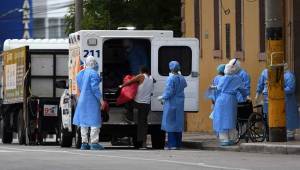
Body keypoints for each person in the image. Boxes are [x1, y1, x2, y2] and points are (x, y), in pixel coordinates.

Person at [256, 64, 300, 140]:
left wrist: (278, 90)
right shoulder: (267, 72)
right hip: (270, 99)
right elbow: (261, 85)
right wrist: (258, 94)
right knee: (270, 116)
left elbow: (291, 88)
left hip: (287, 100)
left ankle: (289, 134)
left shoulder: (289, 76)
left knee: (288, 117)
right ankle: (271, 133)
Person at [213, 60, 247, 146]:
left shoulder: (222, 78)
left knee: (221, 120)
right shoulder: (237, 79)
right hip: (231, 100)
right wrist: (245, 97)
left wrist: (213, 87)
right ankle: (231, 138)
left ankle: (224, 139)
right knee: (231, 119)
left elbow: (219, 88)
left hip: (221, 100)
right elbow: (243, 90)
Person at [73, 55, 104, 150]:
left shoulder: (80, 74)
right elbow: (95, 89)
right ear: (94, 63)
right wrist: (101, 100)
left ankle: (84, 143)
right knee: (95, 121)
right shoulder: (94, 73)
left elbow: (81, 86)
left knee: (83, 122)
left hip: (82, 100)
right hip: (91, 101)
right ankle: (94, 143)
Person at [119, 66, 154, 148]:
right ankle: (143, 143)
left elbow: (130, 82)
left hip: (138, 103)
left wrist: (121, 86)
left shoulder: (141, 76)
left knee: (127, 100)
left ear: (141, 71)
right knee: (143, 124)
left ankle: (129, 116)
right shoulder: (151, 78)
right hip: (147, 105)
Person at [158, 61, 187, 150]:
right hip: (180, 103)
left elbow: (169, 91)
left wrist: (162, 97)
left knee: (170, 123)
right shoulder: (182, 78)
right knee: (178, 123)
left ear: (170, 68)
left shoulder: (170, 79)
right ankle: (178, 143)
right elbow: (185, 85)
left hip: (171, 102)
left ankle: (172, 144)